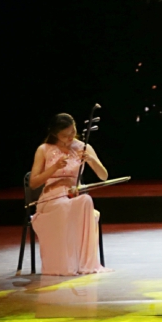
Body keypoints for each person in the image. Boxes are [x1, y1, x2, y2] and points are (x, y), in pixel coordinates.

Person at [28, 113, 109, 276]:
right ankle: (64, 264)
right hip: (51, 197)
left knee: (86, 200)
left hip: (73, 195)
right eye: (65, 135)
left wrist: (91, 160)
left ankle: (84, 264)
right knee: (63, 206)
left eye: (72, 132)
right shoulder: (44, 149)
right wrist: (54, 168)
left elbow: (104, 176)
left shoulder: (83, 147)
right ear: (55, 134)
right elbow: (33, 183)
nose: (70, 137)